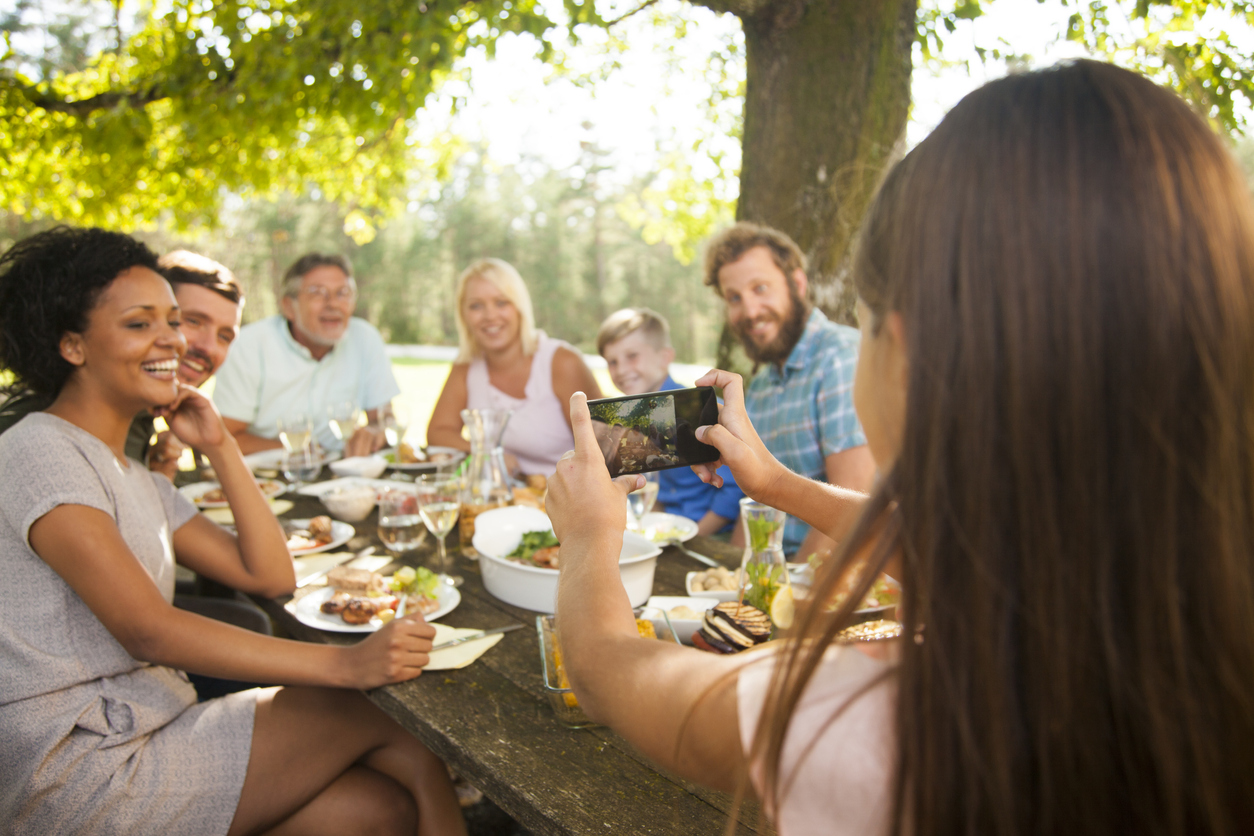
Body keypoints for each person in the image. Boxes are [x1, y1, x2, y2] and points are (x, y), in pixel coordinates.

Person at [545, 61, 1254, 836]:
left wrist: (588, 539)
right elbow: (952, 551)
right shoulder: (1167, 606)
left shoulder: (884, 717)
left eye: (871, 318)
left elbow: (613, 670)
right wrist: (777, 483)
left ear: (907, 353)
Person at [0, 227, 465, 836]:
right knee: (394, 719)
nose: (172, 338)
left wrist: (220, 445)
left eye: (173, 320)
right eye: (141, 324)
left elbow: (270, 575)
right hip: (80, 769)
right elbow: (149, 629)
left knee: (379, 811)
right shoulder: (38, 449)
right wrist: (345, 668)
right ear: (72, 345)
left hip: (153, 726)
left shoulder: (140, 479)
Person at [704, 222, 875, 559]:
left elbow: (852, 508)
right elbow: (753, 503)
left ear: (797, 283)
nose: (750, 311)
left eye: (761, 288)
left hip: (831, 573)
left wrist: (787, 591)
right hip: (776, 571)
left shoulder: (840, 357)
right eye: (734, 298)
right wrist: (732, 579)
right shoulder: (761, 385)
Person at [0, 248, 244, 480]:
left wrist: (156, 475)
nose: (208, 347)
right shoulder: (43, 435)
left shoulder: (139, 416)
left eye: (225, 336)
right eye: (190, 321)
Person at [427, 257, 602, 477]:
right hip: (502, 499)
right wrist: (489, 453)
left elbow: (605, 447)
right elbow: (438, 432)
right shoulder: (466, 366)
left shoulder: (562, 362)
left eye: (501, 302)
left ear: (520, 307)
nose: (490, 316)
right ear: (463, 314)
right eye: (476, 306)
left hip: (566, 501)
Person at [213, 253, 398, 457]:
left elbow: (384, 418)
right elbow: (225, 438)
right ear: (288, 306)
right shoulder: (248, 345)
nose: (333, 304)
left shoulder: (365, 338)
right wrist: (303, 453)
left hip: (342, 477)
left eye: (343, 293)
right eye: (318, 293)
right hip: (266, 477)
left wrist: (374, 431)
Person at [596, 307, 743, 535]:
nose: (621, 370)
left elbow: (733, 492)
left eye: (632, 356)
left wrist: (693, 537)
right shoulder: (630, 416)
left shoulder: (695, 409)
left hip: (708, 534)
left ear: (665, 357)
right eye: (612, 362)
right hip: (663, 529)